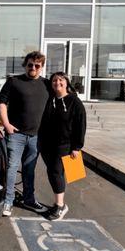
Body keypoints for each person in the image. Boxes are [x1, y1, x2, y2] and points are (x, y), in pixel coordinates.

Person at [0, 51, 50, 216]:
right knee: (12, 168)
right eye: (30, 65)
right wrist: (6, 124)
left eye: (37, 65)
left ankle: (29, 199)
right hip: (16, 135)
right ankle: (8, 201)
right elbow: (1, 103)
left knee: (29, 169)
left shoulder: (47, 84)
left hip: (36, 136)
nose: (33, 68)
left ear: (41, 67)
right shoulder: (14, 81)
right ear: (25, 65)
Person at [38, 71, 87, 221]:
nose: (57, 83)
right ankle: (56, 202)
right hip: (47, 144)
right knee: (52, 172)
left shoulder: (74, 102)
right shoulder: (49, 99)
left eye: (60, 80)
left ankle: (60, 205)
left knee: (56, 172)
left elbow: (81, 125)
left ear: (66, 83)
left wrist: (77, 147)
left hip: (64, 145)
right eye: (54, 81)